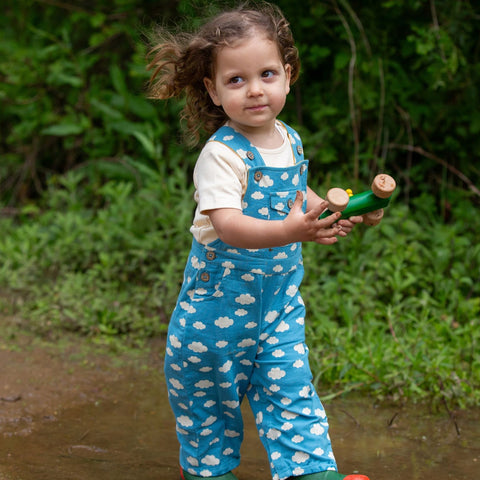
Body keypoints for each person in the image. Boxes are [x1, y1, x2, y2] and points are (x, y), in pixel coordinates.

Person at [147, 3, 368, 480]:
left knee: (294, 396)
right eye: (236, 80)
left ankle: (314, 473)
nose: (255, 90)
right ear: (212, 89)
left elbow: (301, 198)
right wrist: (295, 230)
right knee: (210, 426)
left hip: (278, 313)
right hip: (212, 323)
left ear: (287, 76)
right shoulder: (221, 155)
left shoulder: (289, 138)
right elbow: (228, 225)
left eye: (267, 74)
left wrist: (342, 211)